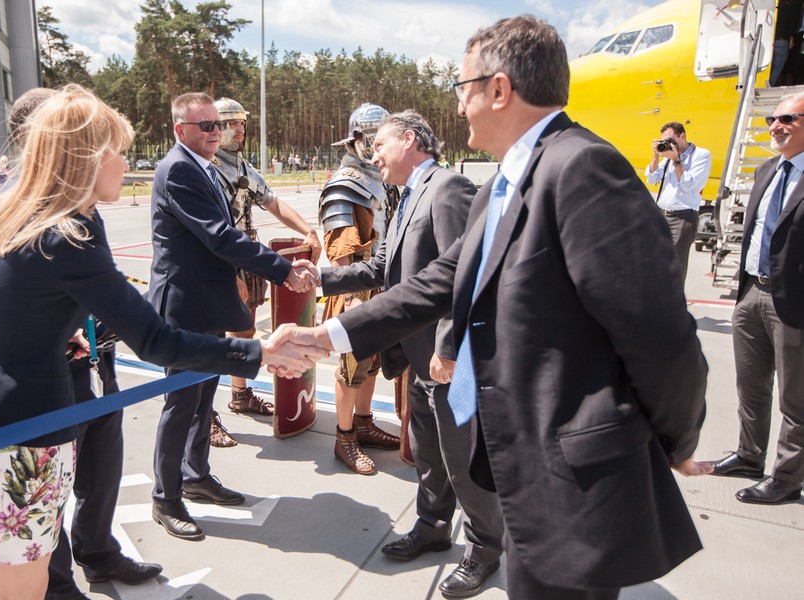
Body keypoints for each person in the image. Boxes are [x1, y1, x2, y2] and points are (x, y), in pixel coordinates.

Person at [276, 17, 713, 599]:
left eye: (463, 90)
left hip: (573, 482)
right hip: (526, 468)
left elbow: (661, 336)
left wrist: (675, 441)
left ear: (499, 89)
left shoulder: (583, 166)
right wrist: (325, 336)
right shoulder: (501, 183)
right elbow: (438, 281)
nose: (459, 109)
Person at [0, 84, 321, 600]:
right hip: (18, 440)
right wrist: (260, 353)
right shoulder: (70, 234)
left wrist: (46, 332)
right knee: (22, 588)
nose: (127, 161)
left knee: (3, 585)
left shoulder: (15, 212)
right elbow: (155, 339)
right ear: (86, 158)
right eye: (116, 148)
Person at [307, 110, 504, 598]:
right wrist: (322, 277)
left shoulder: (448, 189)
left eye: (379, 144)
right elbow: (381, 266)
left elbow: (464, 277)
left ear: (410, 140)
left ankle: (485, 548)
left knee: (463, 460)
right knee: (431, 456)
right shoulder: (406, 195)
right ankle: (433, 528)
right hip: (418, 359)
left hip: (447, 360)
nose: (372, 154)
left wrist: (448, 348)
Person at [3, 86, 164, 600]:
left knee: (101, 463)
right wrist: (52, 336)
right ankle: (55, 584)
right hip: (56, 371)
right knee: (49, 487)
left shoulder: (79, 196)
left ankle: (97, 551)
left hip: (99, 356)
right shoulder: (19, 200)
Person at [147, 92, 317, 541]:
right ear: (179, 130)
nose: (215, 132)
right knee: (182, 403)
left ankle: (195, 475)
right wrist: (282, 270)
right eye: (205, 126)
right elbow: (220, 237)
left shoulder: (204, 167)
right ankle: (166, 497)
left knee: (203, 400)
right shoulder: (180, 169)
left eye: (217, 125)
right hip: (183, 306)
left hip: (204, 303)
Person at [207, 97, 323, 448]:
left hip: (246, 254)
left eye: (241, 123)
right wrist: (229, 273)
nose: (240, 129)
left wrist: (308, 230)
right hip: (219, 260)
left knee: (243, 326)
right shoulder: (208, 167)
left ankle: (240, 395)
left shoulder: (240, 166)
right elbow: (213, 231)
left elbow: (273, 202)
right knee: (211, 336)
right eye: (232, 123)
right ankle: (204, 414)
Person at [707, 92, 804, 505]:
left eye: (787, 119)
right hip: (752, 294)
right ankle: (750, 455)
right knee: (751, 385)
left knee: (796, 399)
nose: (775, 126)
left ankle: (786, 477)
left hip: (794, 304)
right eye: (771, 120)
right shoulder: (767, 170)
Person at [318, 103, 401, 475]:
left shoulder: (381, 180)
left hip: (379, 287)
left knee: (371, 363)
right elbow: (340, 250)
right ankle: (345, 436)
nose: (379, 146)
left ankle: (365, 423)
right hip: (356, 291)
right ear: (357, 140)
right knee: (351, 367)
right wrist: (352, 300)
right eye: (374, 138)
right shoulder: (344, 185)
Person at [644, 121, 712, 284]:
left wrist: (676, 160)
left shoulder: (701, 155)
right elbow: (652, 178)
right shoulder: (668, 156)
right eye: (664, 141)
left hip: (682, 218)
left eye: (670, 140)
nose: (667, 144)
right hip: (662, 215)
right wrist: (656, 156)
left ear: (682, 136)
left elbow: (689, 185)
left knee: (675, 266)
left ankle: (674, 305)